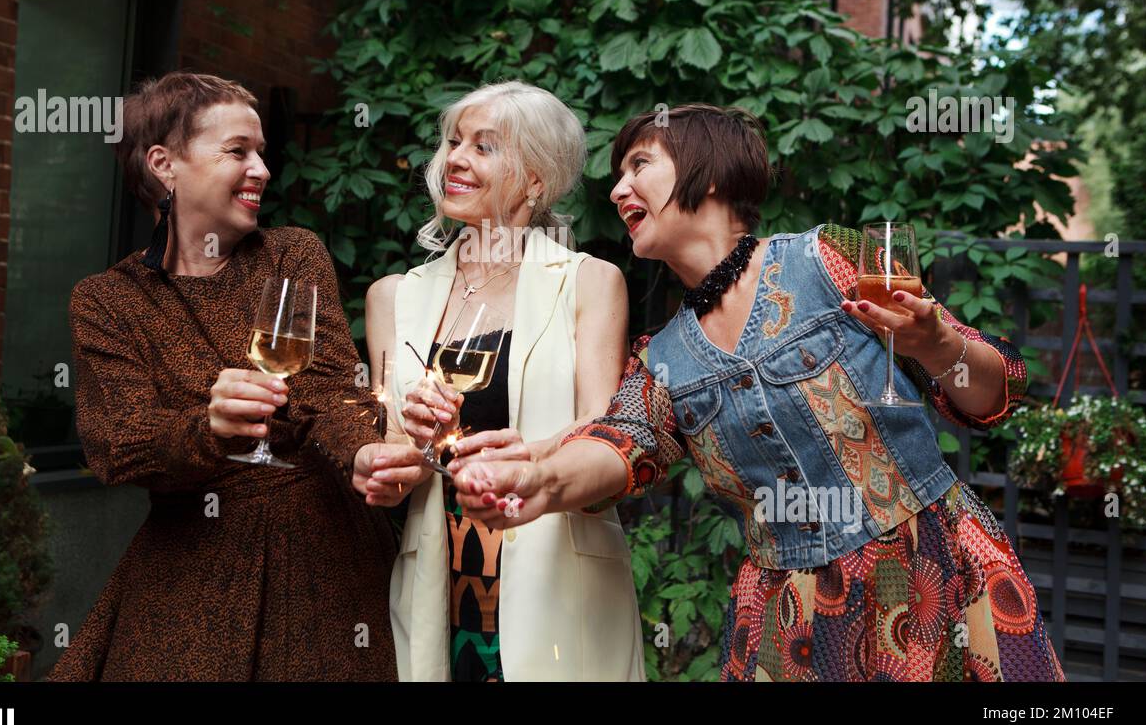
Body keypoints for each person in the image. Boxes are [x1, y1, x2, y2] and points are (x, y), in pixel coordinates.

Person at [450, 103, 1065, 682]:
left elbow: (991, 395)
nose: (616, 191)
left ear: (710, 175)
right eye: (617, 175)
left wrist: (936, 345)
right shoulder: (660, 358)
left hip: (933, 572)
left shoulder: (831, 259)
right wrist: (538, 481)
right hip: (790, 623)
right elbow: (619, 445)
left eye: (639, 165)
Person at [50, 71, 400, 681]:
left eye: (261, 152)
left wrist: (364, 452)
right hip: (188, 567)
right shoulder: (108, 302)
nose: (262, 169)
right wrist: (207, 429)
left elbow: (328, 388)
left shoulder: (292, 255)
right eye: (238, 151)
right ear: (165, 164)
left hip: (325, 556)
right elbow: (118, 446)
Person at [361, 80, 645, 681]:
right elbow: (400, 457)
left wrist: (532, 460)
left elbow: (603, 436)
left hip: (558, 581)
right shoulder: (394, 296)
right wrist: (391, 458)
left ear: (536, 180)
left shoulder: (589, 283)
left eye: (483, 147)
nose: (454, 160)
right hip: (441, 582)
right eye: (453, 142)